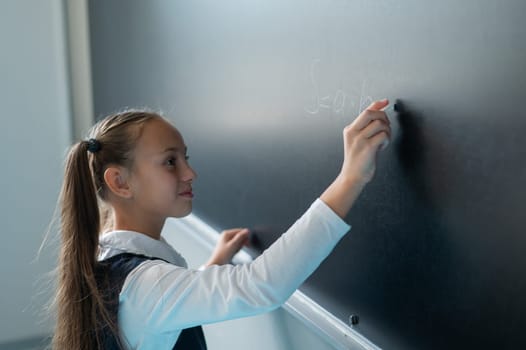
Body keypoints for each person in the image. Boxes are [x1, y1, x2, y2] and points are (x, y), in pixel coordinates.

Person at [51, 99, 391, 350]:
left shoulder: (105, 254)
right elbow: (262, 286)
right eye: (170, 161)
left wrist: (211, 268)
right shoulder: (146, 287)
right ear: (120, 182)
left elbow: (157, 306)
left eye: (186, 157)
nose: (190, 173)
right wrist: (350, 179)